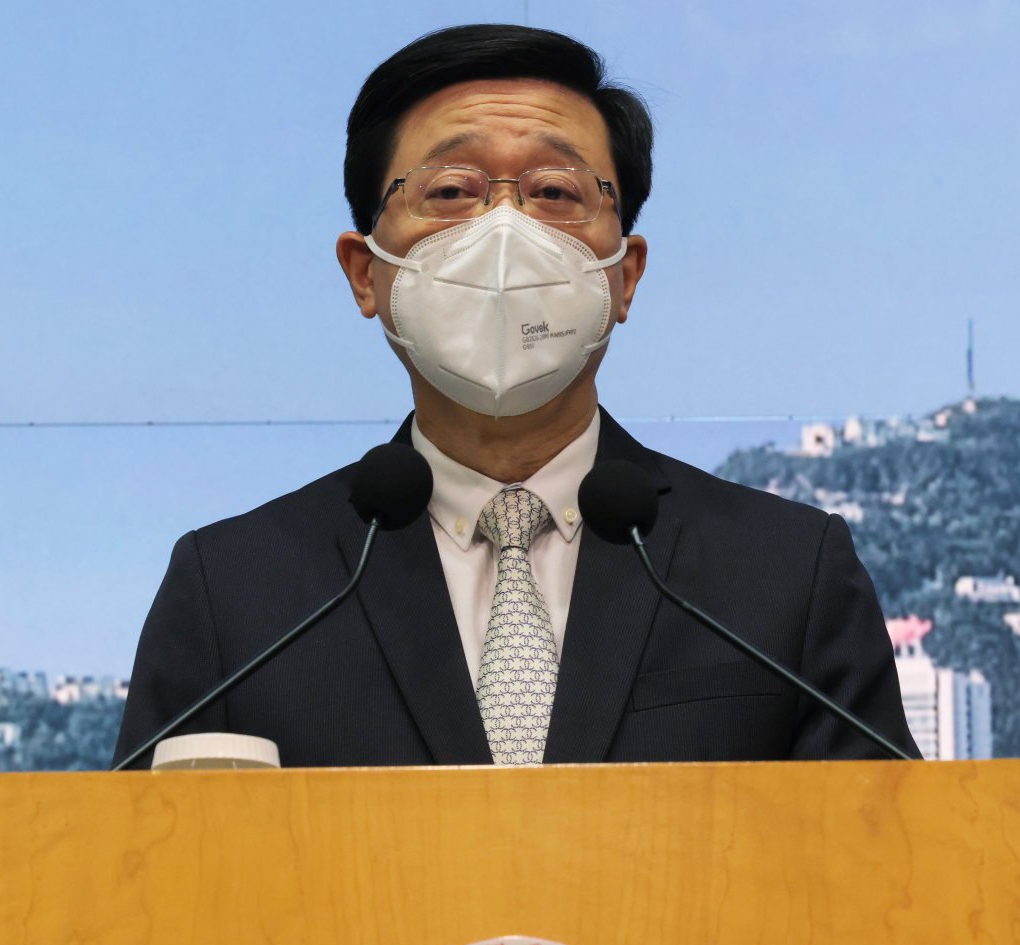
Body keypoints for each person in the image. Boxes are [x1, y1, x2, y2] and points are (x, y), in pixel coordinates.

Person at [114, 24, 917, 768]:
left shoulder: (783, 575)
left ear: (625, 275)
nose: (505, 232)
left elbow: (887, 881)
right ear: (366, 272)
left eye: (556, 193)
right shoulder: (237, 594)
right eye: (454, 191)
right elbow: (145, 890)